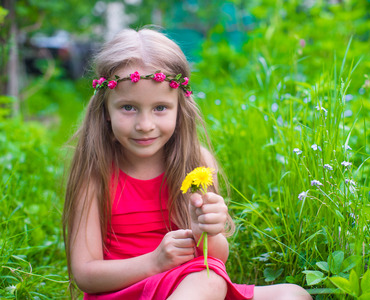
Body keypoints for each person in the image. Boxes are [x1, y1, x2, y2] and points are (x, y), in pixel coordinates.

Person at [62, 27, 312, 300]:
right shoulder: (96, 172)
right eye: (128, 107)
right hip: (128, 291)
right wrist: (154, 263)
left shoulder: (196, 162)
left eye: (160, 108)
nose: (145, 125)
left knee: (293, 295)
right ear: (105, 111)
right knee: (209, 281)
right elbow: (85, 274)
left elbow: (216, 257)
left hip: (189, 288)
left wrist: (208, 229)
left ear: (180, 108)